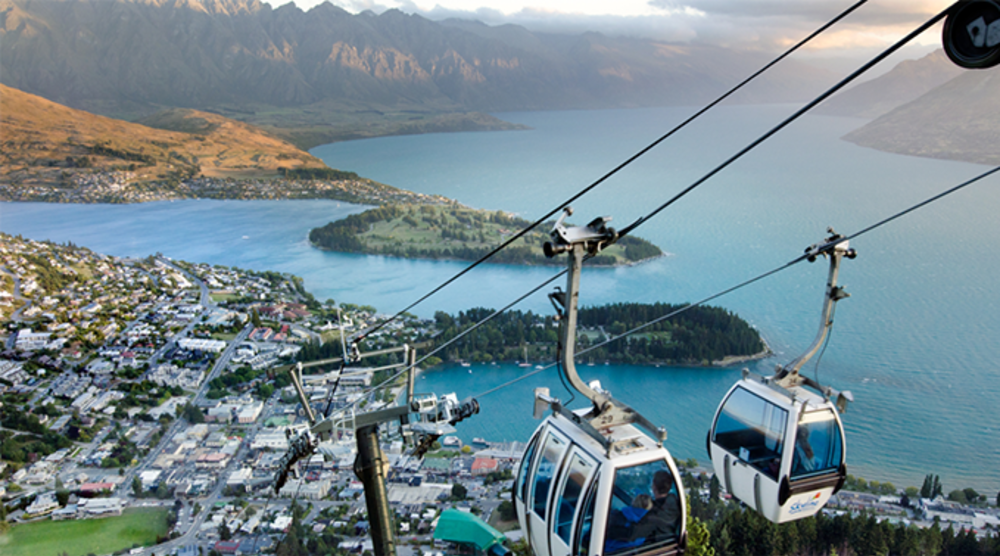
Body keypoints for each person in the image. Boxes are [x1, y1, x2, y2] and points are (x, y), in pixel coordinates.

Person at [629, 470, 681, 545]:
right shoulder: (675, 503)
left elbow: (632, 534)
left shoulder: (652, 517)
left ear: (654, 487)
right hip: (668, 543)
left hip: (655, 546)